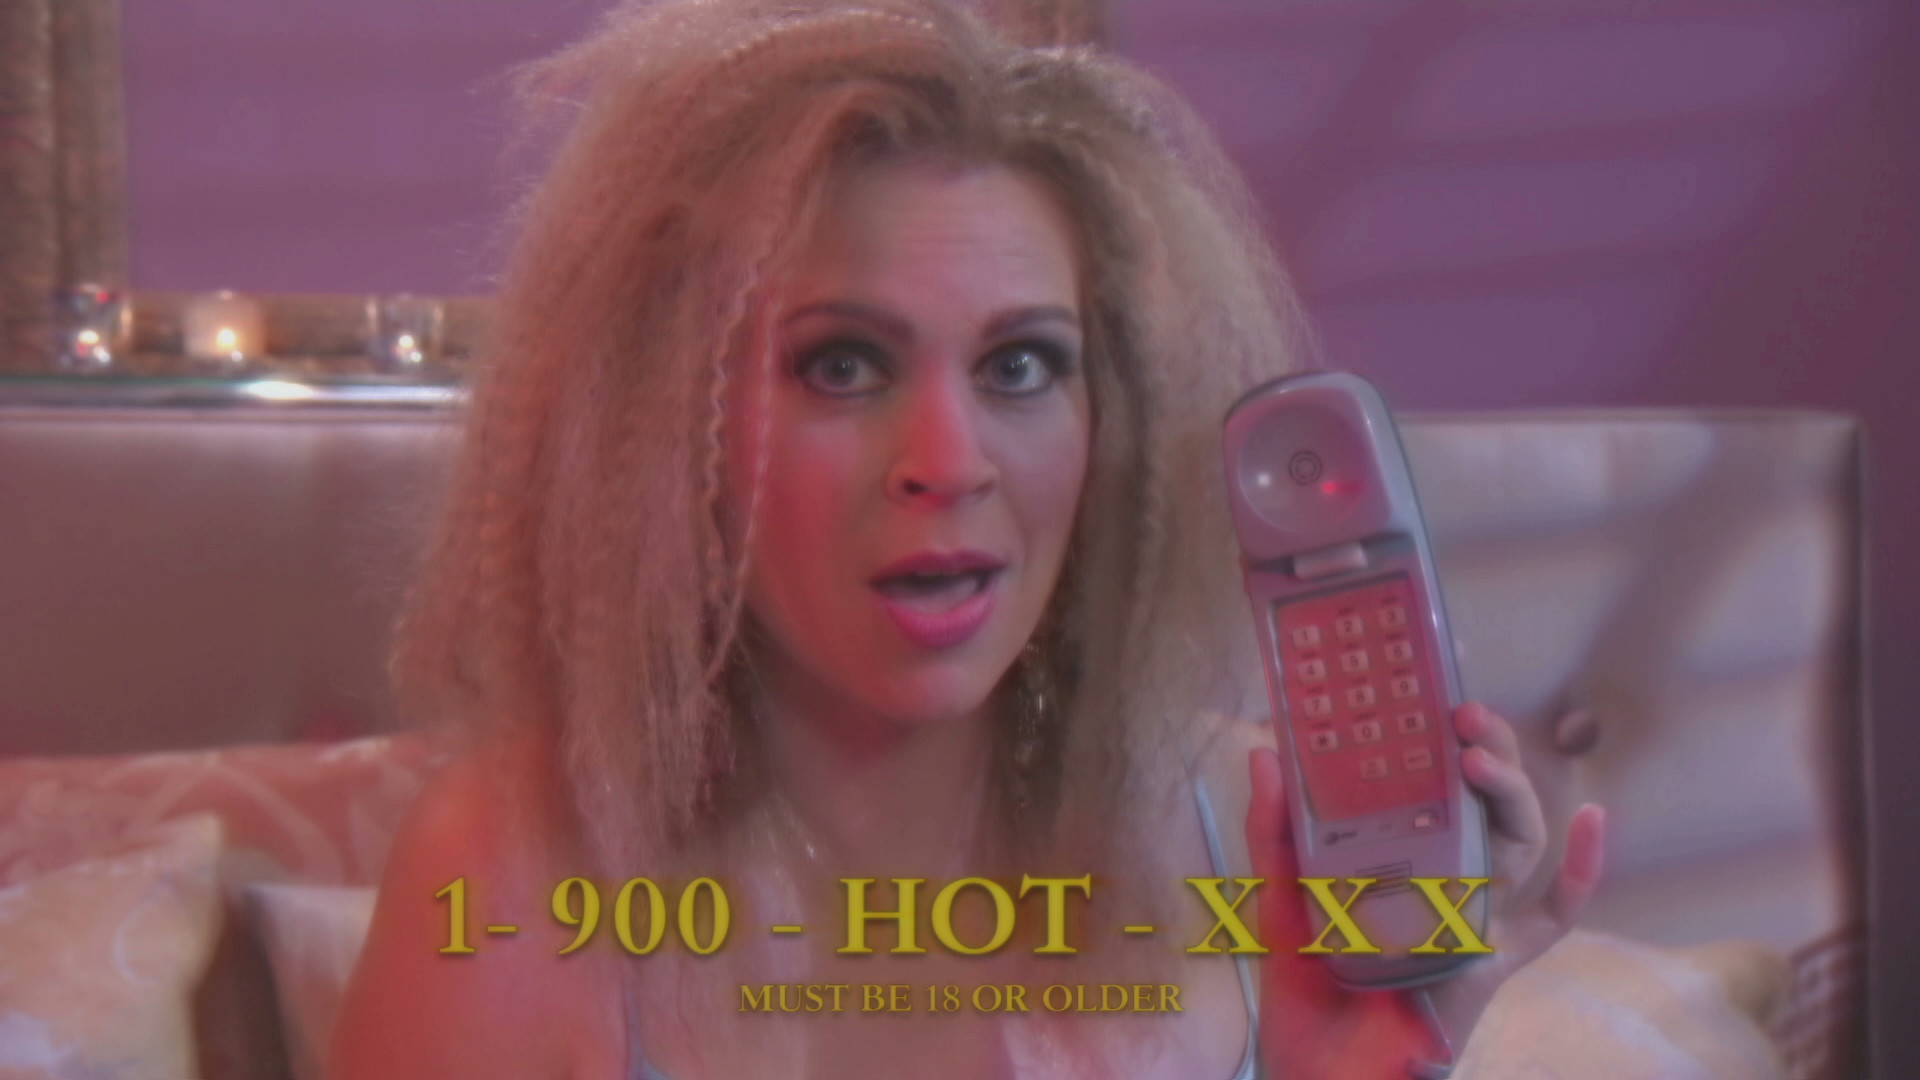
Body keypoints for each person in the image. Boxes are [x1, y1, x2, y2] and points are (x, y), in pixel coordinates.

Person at [332, 0, 1607, 1076]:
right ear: (671, 423)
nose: (948, 463)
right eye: (842, 364)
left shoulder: (1251, 829)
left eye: (1020, 365)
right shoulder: (506, 878)